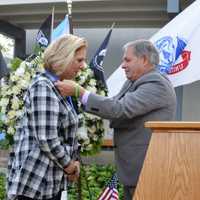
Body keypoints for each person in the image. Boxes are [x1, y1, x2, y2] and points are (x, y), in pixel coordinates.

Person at [55, 39, 177, 200]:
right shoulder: (134, 82)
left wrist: (81, 93)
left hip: (147, 169)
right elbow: (114, 105)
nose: (123, 65)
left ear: (145, 60)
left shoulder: (156, 83)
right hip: (136, 170)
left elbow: (118, 109)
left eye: (127, 60)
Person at [7, 34, 87, 200]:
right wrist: (70, 166)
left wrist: (73, 162)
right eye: (79, 60)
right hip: (35, 183)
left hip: (48, 182)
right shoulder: (43, 86)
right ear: (63, 57)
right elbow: (47, 139)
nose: (83, 66)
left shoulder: (59, 87)